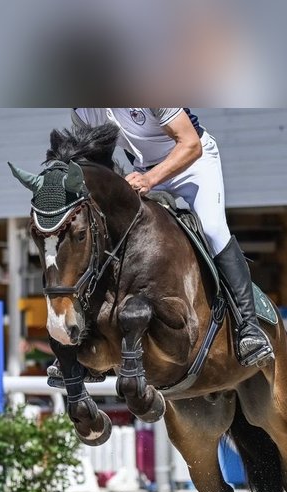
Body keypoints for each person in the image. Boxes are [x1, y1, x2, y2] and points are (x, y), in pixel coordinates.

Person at [69, 107, 274, 367]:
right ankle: (88, 337)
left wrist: (150, 179)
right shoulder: (83, 111)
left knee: (212, 229)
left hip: (191, 164)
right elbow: (94, 166)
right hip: (142, 170)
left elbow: (191, 144)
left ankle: (249, 327)